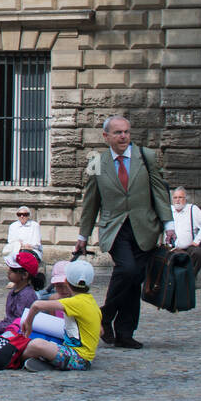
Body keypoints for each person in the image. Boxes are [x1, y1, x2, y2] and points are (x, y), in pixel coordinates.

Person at [75, 115, 174, 348]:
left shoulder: (146, 157)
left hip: (145, 227)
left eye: (126, 132)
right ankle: (105, 316)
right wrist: (83, 236)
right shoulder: (97, 162)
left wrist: (168, 225)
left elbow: (160, 193)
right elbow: (91, 202)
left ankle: (124, 332)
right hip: (115, 227)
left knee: (134, 280)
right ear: (106, 136)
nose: (123, 136)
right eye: (118, 132)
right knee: (127, 270)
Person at [20, 259, 100, 371]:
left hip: (78, 358)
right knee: (41, 344)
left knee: (36, 344)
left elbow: (36, 305)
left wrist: (28, 322)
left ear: (66, 281)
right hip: (79, 356)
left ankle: (16, 360)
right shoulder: (91, 302)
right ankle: (48, 362)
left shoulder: (76, 302)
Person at [169, 187, 201, 278]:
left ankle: (189, 278)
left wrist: (197, 241)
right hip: (171, 248)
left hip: (189, 248)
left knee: (198, 252)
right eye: (175, 198)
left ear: (185, 199)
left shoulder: (192, 209)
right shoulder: (169, 210)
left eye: (180, 197)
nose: (178, 200)